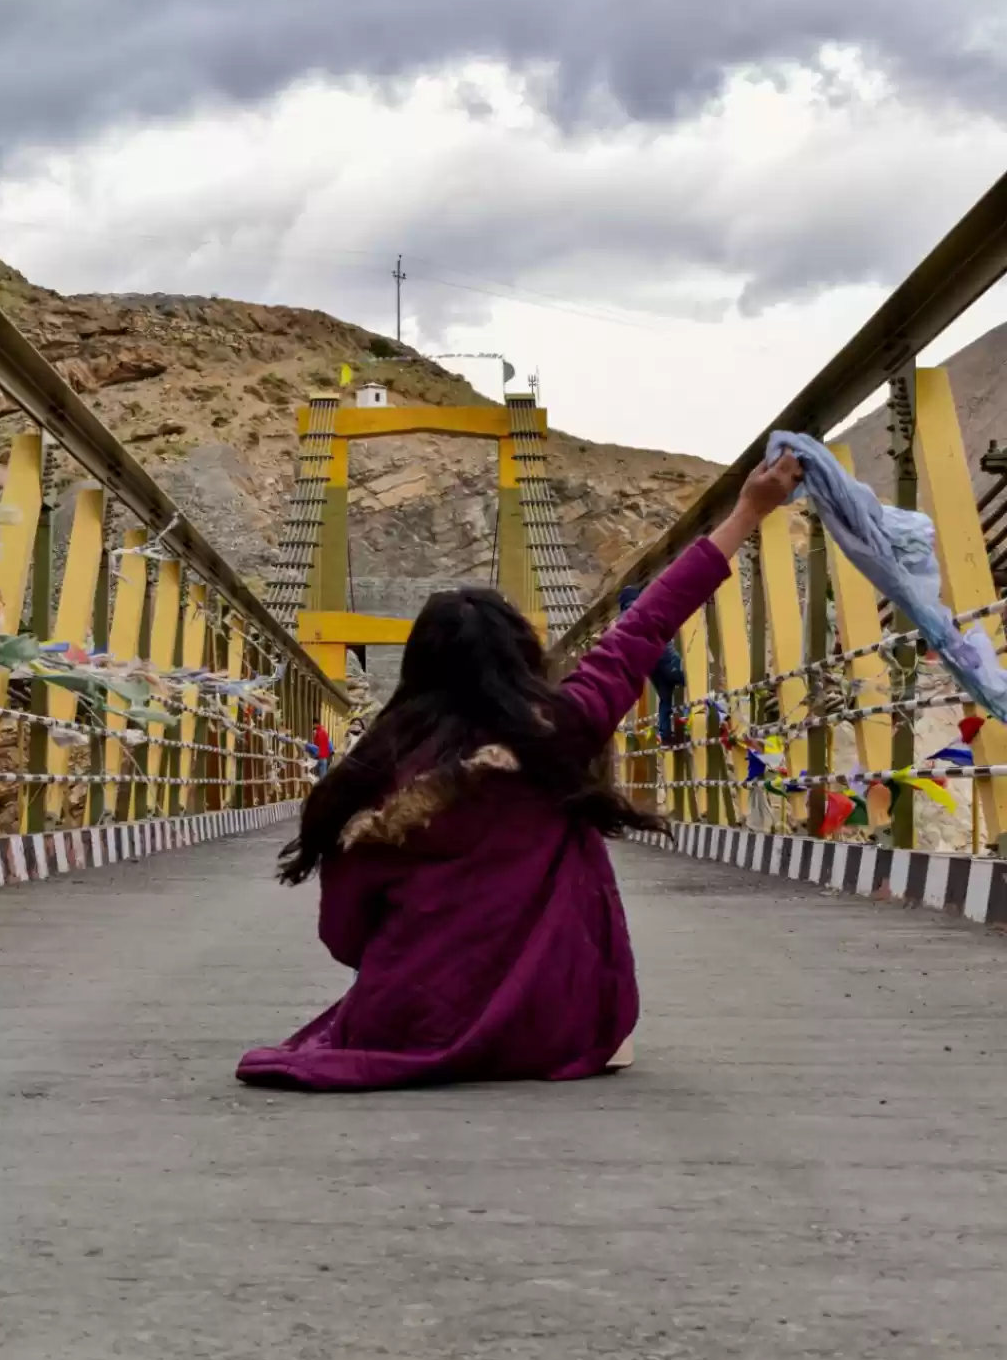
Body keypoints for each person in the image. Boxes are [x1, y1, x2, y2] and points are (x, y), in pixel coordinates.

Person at [237, 451, 801, 1091]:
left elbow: (343, 938)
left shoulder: (375, 774)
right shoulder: (565, 727)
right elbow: (649, 621)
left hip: (407, 1018)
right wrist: (750, 510)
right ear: (522, 656)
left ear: (417, 668)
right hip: (555, 1024)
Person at [618, 584, 684, 741]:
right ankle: (709, 722)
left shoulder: (622, 622)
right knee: (691, 682)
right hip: (666, 658)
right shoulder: (642, 610)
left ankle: (666, 735)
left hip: (651, 667)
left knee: (665, 696)